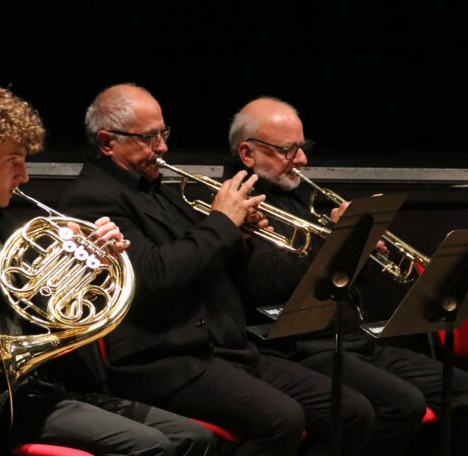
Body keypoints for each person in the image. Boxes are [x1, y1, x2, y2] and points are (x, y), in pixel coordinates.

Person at [0, 81, 217, 456]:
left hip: (53, 388)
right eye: (14, 161)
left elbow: (46, 312)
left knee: (197, 438)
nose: (25, 176)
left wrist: (91, 262)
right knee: (152, 447)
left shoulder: (6, 228)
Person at [60, 83, 376, 456]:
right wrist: (222, 225)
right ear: (107, 142)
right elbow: (153, 277)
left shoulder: (160, 191)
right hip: (162, 362)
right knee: (281, 421)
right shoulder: (89, 200)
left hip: (226, 350)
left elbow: (200, 255)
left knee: (351, 411)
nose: (162, 147)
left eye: (163, 134)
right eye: (148, 138)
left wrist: (239, 235)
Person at [228, 96, 468, 455]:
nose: (304, 160)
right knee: (401, 405)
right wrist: (335, 241)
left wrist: (358, 252)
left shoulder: (294, 195)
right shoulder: (235, 206)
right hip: (300, 348)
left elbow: (335, 283)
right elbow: (263, 283)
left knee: (462, 389)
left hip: (352, 336)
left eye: (303, 147)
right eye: (289, 149)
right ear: (247, 154)